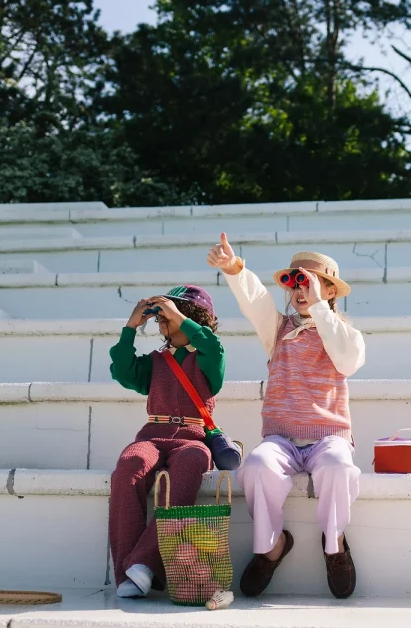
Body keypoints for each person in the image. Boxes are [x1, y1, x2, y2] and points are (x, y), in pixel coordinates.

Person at [207, 234, 365, 599]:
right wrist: (234, 268)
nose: (299, 289)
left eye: (309, 282)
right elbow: (255, 302)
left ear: (329, 290)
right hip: (282, 438)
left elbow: (346, 360)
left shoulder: (346, 335)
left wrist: (320, 309)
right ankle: (271, 546)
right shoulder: (279, 330)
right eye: (295, 280)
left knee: (339, 467)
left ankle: (335, 541)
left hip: (329, 436)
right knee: (258, 466)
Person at [108, 285, 224, 598]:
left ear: (192, 318)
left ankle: (144, 565)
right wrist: (131, 327)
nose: (163, 324)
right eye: (160, 319)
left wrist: (176, 314)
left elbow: (211, 345)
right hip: (152, 436)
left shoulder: (209, 358)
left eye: (169, 317)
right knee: (128, 467)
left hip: (193, 439)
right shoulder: (155, 362)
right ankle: (126, 575)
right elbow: (122, 371)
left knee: (189, 469)